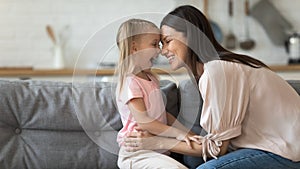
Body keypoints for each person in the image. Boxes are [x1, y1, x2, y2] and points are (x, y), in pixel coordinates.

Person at [123, 5, 300, 169]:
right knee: (193, 158)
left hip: (288, 151)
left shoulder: (218, 71)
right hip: (271, 144)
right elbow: (217, 140)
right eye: (160, 44)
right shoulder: (216, 68)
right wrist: (185, 136)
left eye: (168, 41)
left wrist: (156, 142)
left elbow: (217, 149)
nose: (162, 50)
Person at [115, 18, 196, 169]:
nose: (160, 50)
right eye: (154, 44)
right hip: (137, 152)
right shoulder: (131, 83)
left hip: (157, 152)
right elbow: (144, 121)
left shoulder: (151, 79)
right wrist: (177, 134)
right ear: (134, 48)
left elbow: (163, 115)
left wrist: (188, 133)